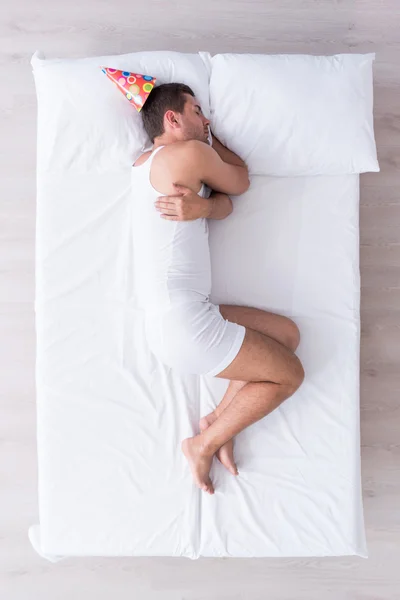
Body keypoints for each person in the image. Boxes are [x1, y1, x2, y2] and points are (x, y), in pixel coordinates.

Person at [131, 83, 304, 495]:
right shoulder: (190, 153)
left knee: (287, 335)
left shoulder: (143, 163)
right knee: (290, 376)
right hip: (184, 324)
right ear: (172, 119)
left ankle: (216, 424)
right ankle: (202, 444)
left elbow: (224, 205)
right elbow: (240, 182)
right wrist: (213, 140)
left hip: (180, 317)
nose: (205, 119)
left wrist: (204, 207)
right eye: (196, 111)